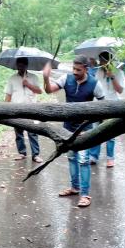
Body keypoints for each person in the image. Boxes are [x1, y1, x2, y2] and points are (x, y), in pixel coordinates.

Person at [42, 55, 105, 207]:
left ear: (86, 69)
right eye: (73, 69)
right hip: (68, 128)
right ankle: (74, 188)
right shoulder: (66, 78)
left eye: (78, 69)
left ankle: (85, 195)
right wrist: (45, 78)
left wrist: (92, 123)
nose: (75, 72)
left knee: (84, 161)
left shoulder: (95, 84)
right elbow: (49, 91)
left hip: (85, 129)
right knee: (71, 158)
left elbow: (104, 106)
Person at [89, 51, 124, 167]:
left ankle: (110, 158)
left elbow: (120, 90)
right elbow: (94, 86)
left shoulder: (119, 72)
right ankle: (93, 156)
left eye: (103, 61)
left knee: (110, 131)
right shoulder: (98, 72)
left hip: (112, 105)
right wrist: (92, 66)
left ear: (110, 61)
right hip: (98, 104)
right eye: (100, 61)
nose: (102, 63)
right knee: (96, 130)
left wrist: (112, 76)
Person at [5, 57, 43, 163]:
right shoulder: (12, 78)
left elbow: (39, 91)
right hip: (16, 109)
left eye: (22, 65)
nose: (20, 68)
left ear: (26, 66)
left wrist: (28, 85)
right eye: (18, 65)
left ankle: (35, 155)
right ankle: (22, 153)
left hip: (32, 109)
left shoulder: (34, 77)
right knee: (18, 133)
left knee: (33, 132)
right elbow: (8, 94)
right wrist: (4, 109)